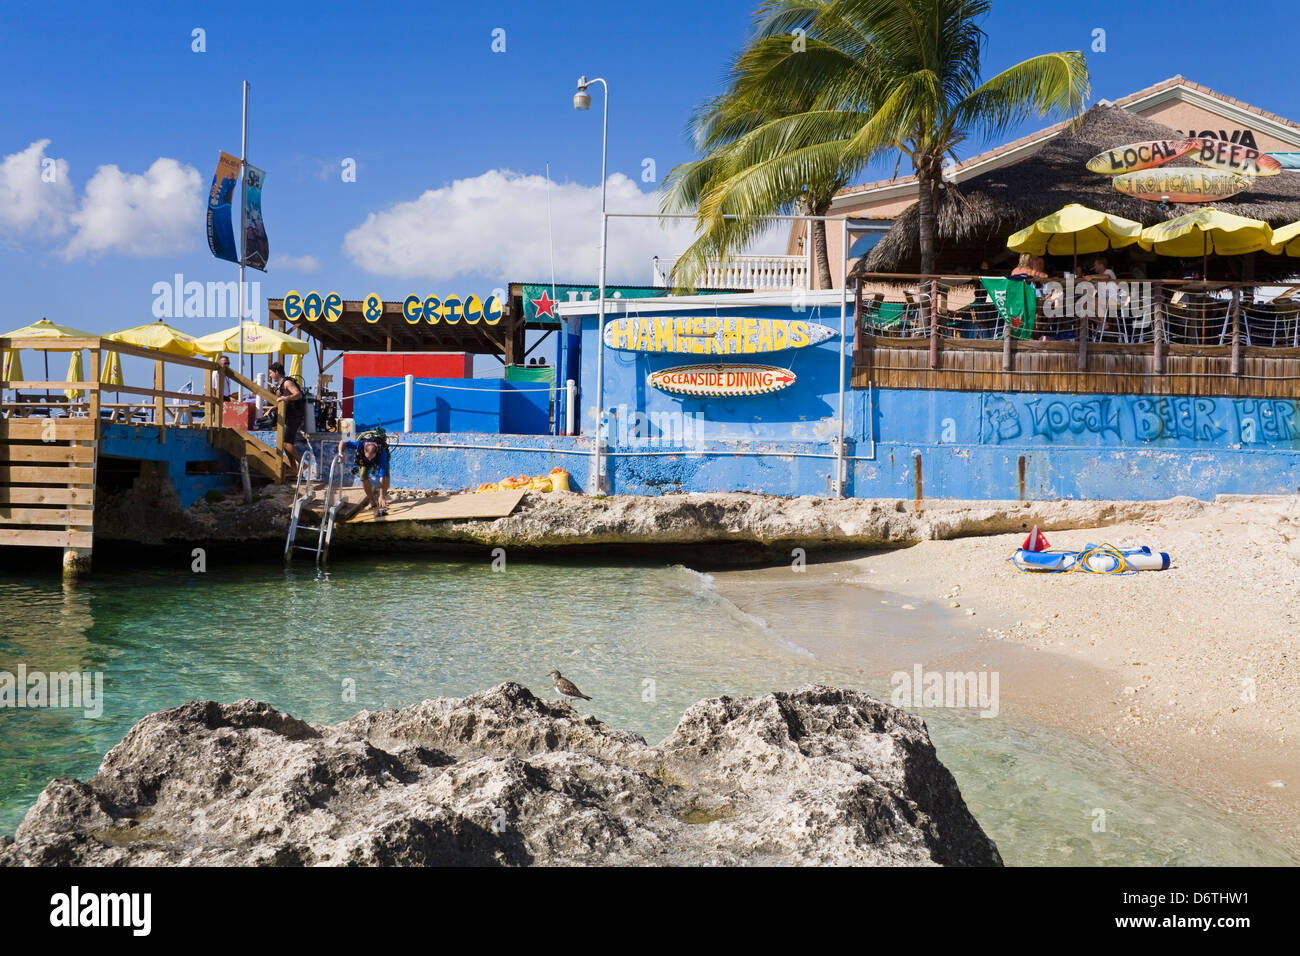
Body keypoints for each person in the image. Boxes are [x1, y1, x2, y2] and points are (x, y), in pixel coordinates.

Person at [337, 429, 390, 517]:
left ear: (376, 452)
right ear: (364, 451)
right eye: (368, 457)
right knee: (363, 476)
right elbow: (343, 441)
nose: (370, 459)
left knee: (385, 475)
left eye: (371, 457)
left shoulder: (382, 453)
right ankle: (372, 501)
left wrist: (381, 495)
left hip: (380, 458)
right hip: (364, 461)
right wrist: (340, 453)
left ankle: (383, 498)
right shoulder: (360, 444)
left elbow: (382, 477)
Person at [268, 361, 305, 470]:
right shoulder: (279, 386)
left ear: (277, 372)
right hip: (287, 416)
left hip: (294, 416)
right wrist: (271, 409)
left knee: (286, 443)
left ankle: (303, 464)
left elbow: (298, 394)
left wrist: (286, 398)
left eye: (271, 373)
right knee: (285, 444)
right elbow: (280, 402)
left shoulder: (287, 382)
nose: (270, 376)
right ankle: (294, 469)